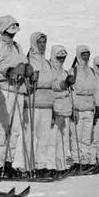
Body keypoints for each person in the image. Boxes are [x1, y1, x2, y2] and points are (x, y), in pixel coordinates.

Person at [26, 32, 65, 178]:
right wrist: (30, 80)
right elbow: (23, 79)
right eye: (40, 42)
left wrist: (64, 84)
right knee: (30, 135)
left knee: (44, 137)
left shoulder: (47, 63)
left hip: (47, 103)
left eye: (44, 42)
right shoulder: (28, 59)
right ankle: (26, 165)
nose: (42, 45)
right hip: (33, 102)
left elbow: (53, 83)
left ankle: (40, 165)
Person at [0, 15, 27, 178]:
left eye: (13, 33)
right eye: (8, 33)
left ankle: (8, 162)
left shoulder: (18, 47)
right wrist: (10, 70)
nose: (11, 36)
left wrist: (28, 70)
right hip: (4, 88)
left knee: (15, 130)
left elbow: (24, 62)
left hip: (19, 89)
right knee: (1, 127)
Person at [69, 45, 99, 172]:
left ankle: (85, 160)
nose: (86, 57)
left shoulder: (92, 71)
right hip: (78, 107)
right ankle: (76, 161)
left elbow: (96, 90)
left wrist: (97, 106)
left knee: (87, 137)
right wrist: (73, 107)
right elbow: (71, 90)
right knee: (76, 136)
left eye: (87, 54)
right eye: (83, 54)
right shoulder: (74, 70)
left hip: (89, 107)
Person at [49, 45, 75, 173]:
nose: (61, 59)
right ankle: (53, 164)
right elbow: (51, 88)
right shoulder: (50, 70)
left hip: (65, 108)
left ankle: (62, 164)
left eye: (63, 57)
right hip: (56, 106)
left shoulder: (64, 72)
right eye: (59, 57)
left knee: (64, 139)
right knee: (55, 139)